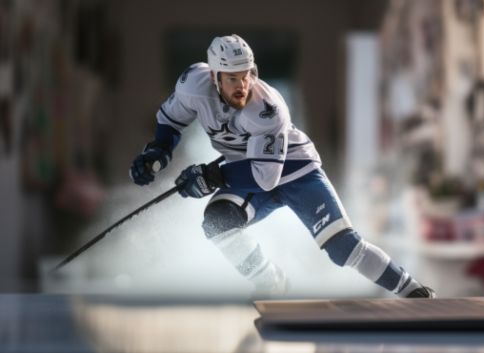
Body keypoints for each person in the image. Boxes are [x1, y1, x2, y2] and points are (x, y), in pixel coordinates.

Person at [129, 34, 435, 299]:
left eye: (247, 74)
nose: (242, 85)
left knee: (342, 247)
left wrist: (210, 176)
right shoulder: (193, 83)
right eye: (233, 78)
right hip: (248, 168)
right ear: (213, 77)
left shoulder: (266, 108)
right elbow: (170, 119)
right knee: (217, 221)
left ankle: (412, 290)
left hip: (295, 171)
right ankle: (270, 281)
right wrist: (156, 153)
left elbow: (265, 176)